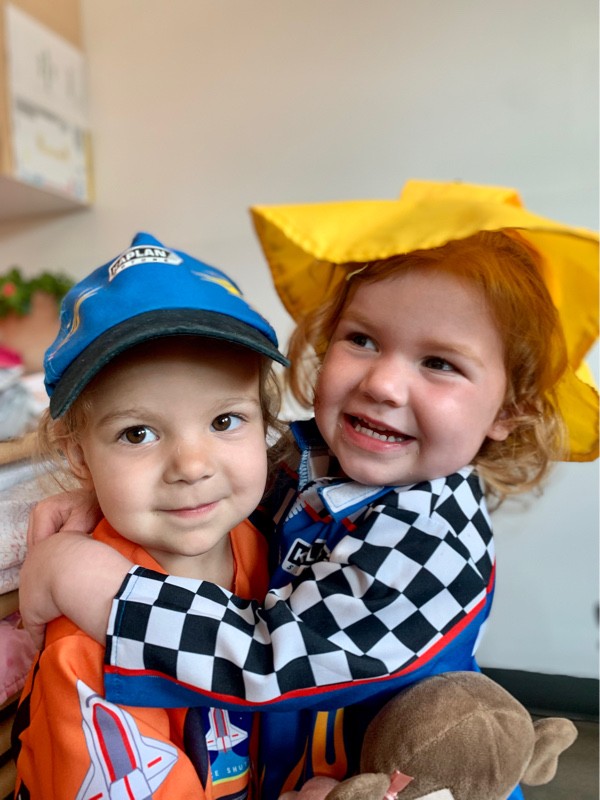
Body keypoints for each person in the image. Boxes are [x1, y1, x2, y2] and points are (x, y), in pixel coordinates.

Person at [19, 182, 599, 800]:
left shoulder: (433, 538)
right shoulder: (307, 460)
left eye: (439, 363)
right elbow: (212, 473)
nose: (383, 383)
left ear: (507, 410)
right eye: (363, 340)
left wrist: (101, 588)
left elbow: (272, 660)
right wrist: (103, 487)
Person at [11, 232, 289, 800]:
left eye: (225, 421)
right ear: (79, 456)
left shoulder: (267, 543)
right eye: (137, 433)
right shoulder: (86, 646)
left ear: (266, 424)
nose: (191, 465)